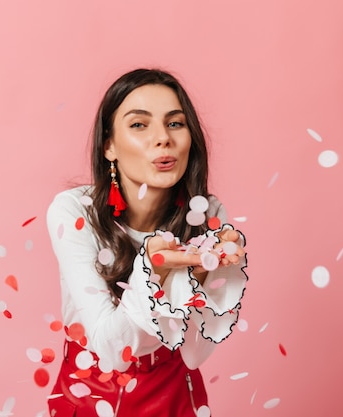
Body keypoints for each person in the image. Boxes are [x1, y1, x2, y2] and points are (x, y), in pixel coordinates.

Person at [46, 68, 248, 417]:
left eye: (175, 123)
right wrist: (155, 272)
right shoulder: (74, 212)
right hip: (93, 392)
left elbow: (195, 353)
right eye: (139, 125)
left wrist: (200, 277)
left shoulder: (207, 214)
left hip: (176, 393)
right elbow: (112, 350)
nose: (163, 139)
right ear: (109, 145)